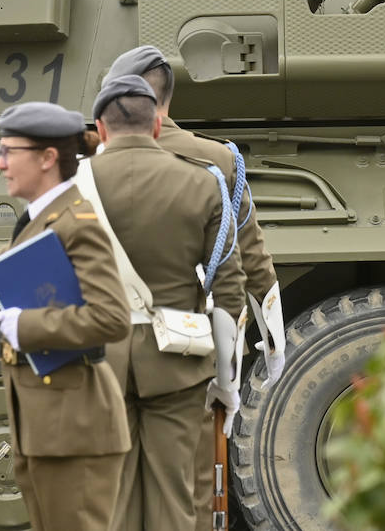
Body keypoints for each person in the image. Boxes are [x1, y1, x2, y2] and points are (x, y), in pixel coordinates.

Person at [103, 46, 283, 531]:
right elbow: (250, 261)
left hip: (106, 349)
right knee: (189, 488)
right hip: (191, 344)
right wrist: (271, 344)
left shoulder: (90, 163)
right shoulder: (219, 161)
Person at [0, 102, 131, 531]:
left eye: (9, 151)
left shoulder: (75, 223)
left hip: (73, 429)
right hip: (46, 424)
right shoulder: (42, 219)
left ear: (47, 158)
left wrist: (25, 327)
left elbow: (112, 317)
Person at [83, 75, 245, 531]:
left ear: (101, 126)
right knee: (174, 495)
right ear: (157, 126)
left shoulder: (73, 186)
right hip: (178, 360)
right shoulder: (204, 184)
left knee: (109, 494)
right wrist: (225, 381)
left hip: (97, 359)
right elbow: (228, 289)